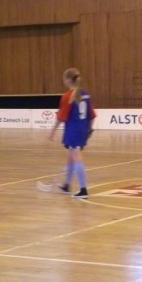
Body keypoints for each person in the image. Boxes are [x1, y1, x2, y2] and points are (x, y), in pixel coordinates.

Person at [48, 67, 96, 198]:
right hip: (82, 130)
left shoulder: (67, 96)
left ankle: (83, 190)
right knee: (71, 157)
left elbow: (61, 117)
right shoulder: (86, 94)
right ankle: (67, 185)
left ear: (68, 80)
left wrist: (52, 132)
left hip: (73, 131)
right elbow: (92, 115)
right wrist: (89, 129)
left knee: (77, 158)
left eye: (64, 79)